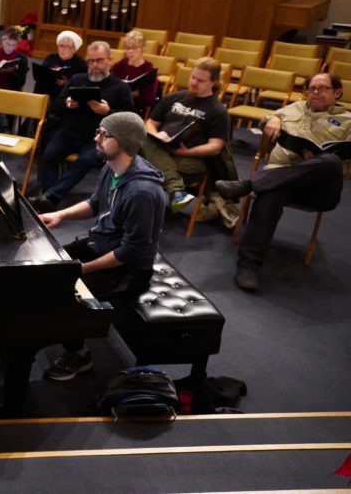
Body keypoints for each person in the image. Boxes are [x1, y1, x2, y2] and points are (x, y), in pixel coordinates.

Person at [38, 111, 166, 380]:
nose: (96, 138)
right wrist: (61, 214)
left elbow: (131, 251)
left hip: (129, 269)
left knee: (65, 296)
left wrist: (82, 269)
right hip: (102, 245)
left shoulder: (142, 192)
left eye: (105, 135)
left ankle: (79, 356)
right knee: (47, 265)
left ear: (124, 141)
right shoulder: (112, 168)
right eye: (99, 131)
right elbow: (96, 203)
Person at [216, 73, 351, 293]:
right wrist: (274, 119)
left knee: (331, 161)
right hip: (281, 180)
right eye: (312, 88)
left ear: (337, 93)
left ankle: (249, 184)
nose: (315, 92)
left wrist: (316, 163)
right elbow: (267, 117)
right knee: (271, 193)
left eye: (322, 88)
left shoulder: (348, 122)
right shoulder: (295, 108)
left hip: (319, 189)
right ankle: (249, 265)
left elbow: (346, 170)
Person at [28, 40, 134, 212]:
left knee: (86, 160)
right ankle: (48, 196)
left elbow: (129, 118)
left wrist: (108, 111)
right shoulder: (77, 79)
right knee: (49, 154)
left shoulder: (120, 87)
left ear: (110, 60)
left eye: (99, 60)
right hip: (69, 131)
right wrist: (67, 104)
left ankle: (50, 197)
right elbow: (57, 105)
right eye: (91, 61)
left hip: (98, 136)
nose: (95, 65)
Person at [141, 56, 232, 213]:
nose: (194, 83)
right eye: (193, 77)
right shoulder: (173, 98)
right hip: (162, 147)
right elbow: (150, 123)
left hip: (190, 158)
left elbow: (215, 147)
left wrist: (186, 151)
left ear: (214, 82)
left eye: (201, 81)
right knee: (141, 137)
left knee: (142, 167)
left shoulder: (218, 111)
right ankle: (175, 190)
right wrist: (158, 134)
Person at [110, 29, 158, 115]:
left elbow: (149, 99)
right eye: (128, 48)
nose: (130, 51)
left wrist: (134, 95)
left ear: (142, 48)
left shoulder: (148, 69)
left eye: (135, 48)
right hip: (115, 105)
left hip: (135, 109)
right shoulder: (120, 65)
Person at [33, 30, 86, 97]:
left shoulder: (80, 63)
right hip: (48, 92)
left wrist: (67, 83)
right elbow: (41, 77)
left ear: (74, 49)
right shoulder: (51, 58)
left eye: (67, 47)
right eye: (61, 46)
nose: (63, 49)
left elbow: (82, 86)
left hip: (67, 97)